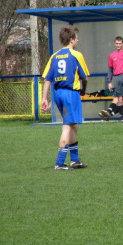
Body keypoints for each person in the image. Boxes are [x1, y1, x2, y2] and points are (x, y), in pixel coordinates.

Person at [40, 26, 90, 170]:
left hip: (59, 94)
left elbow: (48, 79)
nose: (78, 40)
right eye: (76, 37)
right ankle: (60, 162)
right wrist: (83, 91)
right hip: (70, 93)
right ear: (72, 39)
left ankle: (75, 160)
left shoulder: (54, 56)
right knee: (68, 126)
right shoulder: (76, 55)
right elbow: (84, 76)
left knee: (74, 125)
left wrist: (45, 98)